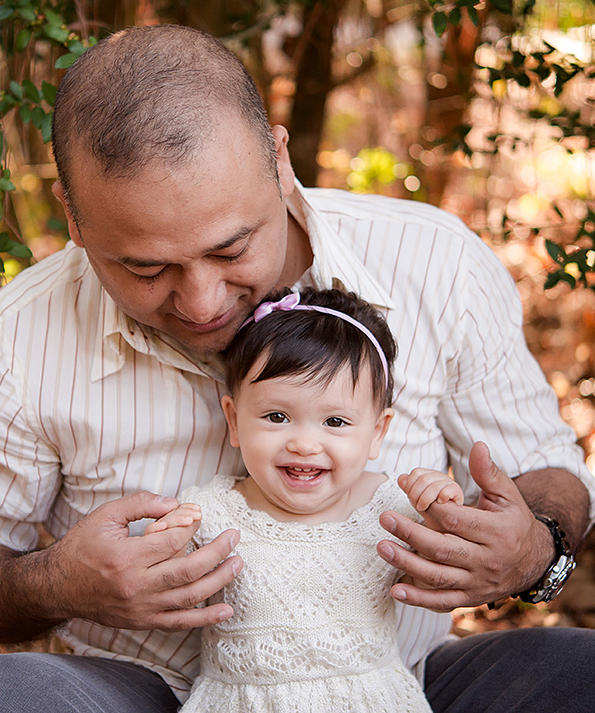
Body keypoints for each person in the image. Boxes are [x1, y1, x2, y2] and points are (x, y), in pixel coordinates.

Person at [0, 24, 595, 712]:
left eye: (231, 248)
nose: (200, 302)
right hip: (143, 695)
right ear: (73, 216)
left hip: (402, 686)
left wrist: (534, 548)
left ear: (278, 158)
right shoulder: (16, 337)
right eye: (145, 268)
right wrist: (58, 581)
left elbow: (546, 472)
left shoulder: (433, 263)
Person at [145, 287, 462, 713]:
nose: (305, 444)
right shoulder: (213, 511)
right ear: (234, 421)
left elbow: (439, 578)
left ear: (378, 432)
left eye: (335, 421)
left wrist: (441, 515)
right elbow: (169, 587)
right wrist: (166, 542)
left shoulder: (392, 508)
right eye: (277, 417)